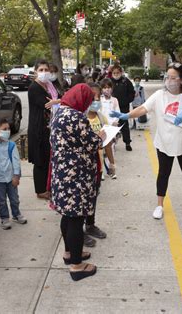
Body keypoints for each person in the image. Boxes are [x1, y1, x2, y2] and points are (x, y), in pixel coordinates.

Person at [110, 62, 182, 219]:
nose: (169, 80)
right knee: (163, 174)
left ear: (181, 79)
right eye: (167, 77)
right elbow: (143, 108)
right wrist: (126, 115)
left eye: (173, 78)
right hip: (164, 142)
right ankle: (159, 205)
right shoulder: (160, 95)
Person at [50, 84, 106, 281]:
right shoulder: (76, 117)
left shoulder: (60, 112)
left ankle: (69, 253)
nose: (89, 104)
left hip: (62, 175)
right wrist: (102, 137)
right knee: (76, 219)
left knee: (67, 216)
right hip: (76, 177)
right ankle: (76, 266)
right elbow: (93, 144)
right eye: (88, 100)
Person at [0, 118, 27, 230]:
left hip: (11, 177)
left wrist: (16, 176)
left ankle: (16, 214)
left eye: (8, 129)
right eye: (5, 129)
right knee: (1, 200)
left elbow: (16, 161)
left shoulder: (11, 145)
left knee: (14, 198)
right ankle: (4, 218)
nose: (8, 131)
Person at [28, 59, 56, 200]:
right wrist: (57, 102)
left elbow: (55, 101)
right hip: (38, 129)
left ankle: (46, 186)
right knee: (40, 160)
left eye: (46, 70)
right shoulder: (34, 88)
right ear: (35, 72)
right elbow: (46, 105)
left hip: (47, 127)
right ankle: (40, 190)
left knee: (46, 158)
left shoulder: (48, 86)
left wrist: (56, 101)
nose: (44, 73)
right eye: (41, 70)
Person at [84, 82, 108, 244]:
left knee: (93, 196)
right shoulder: (79, 118)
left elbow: (107, 139)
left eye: (98, 97)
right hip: (83, 166)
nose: (96, 100)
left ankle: (90, 225)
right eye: (93, 97)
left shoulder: (101, 117)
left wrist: (111, 163)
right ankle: (79, 231)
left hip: (98, 164)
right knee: (82, 199)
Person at [111, 65, 135, 151]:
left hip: (123, 108)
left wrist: (126, 101)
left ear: (121, 73)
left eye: (117, 73)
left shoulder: (126, 82)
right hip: (112, 108)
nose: (116, 74)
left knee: (124, 125)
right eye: (114, 73)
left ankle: (127, 143)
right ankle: (111, 144)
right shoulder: (109, 82)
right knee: (112, 125)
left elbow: (132, 93)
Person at [99, 78, 119, 179]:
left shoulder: (114, 100)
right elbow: (98, 113)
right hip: (101, 127)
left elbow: (117, 113)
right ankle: (101, 170)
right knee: (101, 150)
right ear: (101, 89)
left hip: (111, 128)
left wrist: (116, 121)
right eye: (105, 88)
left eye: (109, 87)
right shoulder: (99, 100)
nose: (107, 89)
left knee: (110, 150)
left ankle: (111, 170)